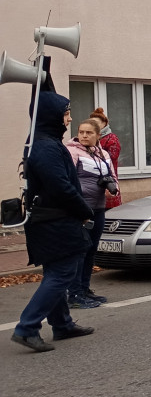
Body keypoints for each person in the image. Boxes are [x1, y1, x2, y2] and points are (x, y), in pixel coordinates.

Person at [11, 92, 95, 353]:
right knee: (63, 273)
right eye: (65, 114)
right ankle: (27, 328)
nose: (69, 119)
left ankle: (62, 324)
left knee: (57, 273)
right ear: (51, 117)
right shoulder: (46, 147)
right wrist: (84, 210)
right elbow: (60, 187)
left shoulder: (44, 141)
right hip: (55, 221)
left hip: (50, 220)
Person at [65, 118, 117, 308]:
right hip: (80, 209)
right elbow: (67, 178)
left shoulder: (103, 154)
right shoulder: (71, 151)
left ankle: (85, 289)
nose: (84, 136)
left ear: (98, 135)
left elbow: (112, 176)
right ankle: (75, 294)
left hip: (98, 207)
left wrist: (113, 189)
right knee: (80, 249)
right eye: (81, 132)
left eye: (89, 133)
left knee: (91, 249)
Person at [89, 107, 122, 209]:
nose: (94, 126)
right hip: (92, 180)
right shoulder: (91, 137)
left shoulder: (111, 138)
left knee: (109, 210)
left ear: (104, 124)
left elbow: (110, 159)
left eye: (97, 123)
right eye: (92, 123)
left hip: (108, 179)